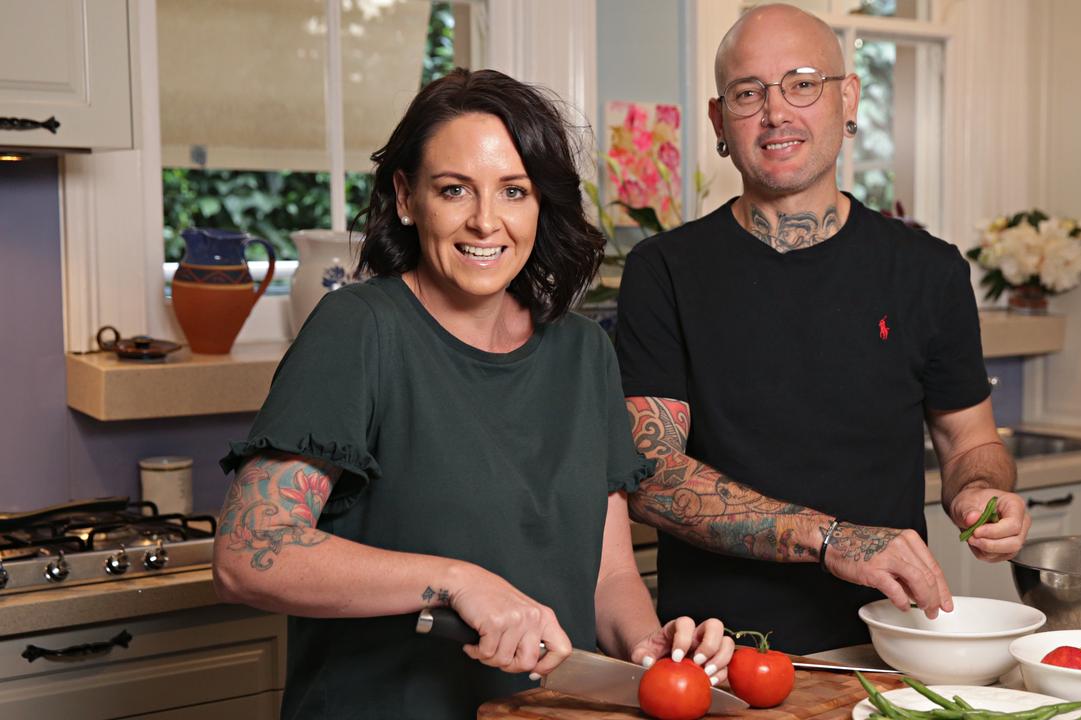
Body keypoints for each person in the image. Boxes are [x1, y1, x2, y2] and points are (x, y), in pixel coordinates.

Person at [212, 68, 732, 720]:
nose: (486, 222)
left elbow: (608, 576)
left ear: (541, 204)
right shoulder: (359, 331)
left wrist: (647, 647)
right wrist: (458, 582)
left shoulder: (583, 352)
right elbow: (247, 555)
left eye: (513, 191)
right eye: (455, 190)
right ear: (406, 197)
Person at [615, 4, 1031, 655]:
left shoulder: (930, 271)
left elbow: (967, 439)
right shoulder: (662, 272)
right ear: (720, 121)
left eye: (803, 83)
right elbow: (652, 480)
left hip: (889, 643)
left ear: (849, 98)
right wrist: (833, 537)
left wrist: (982, 488)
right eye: (748, 93)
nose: (777, 112)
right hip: (717, 651)